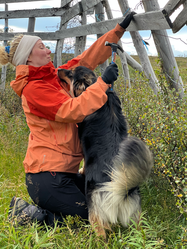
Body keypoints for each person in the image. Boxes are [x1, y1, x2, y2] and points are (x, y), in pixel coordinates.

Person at [0, 12, 136, 226]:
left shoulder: (55, 75)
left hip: (66, 174)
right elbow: (71, 110)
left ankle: (50, 207)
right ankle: (27, 215)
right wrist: (102, 84)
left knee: (109, 207)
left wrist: (117, 31)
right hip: (46, 179)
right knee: (94, 216)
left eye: (45, 45)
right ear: (28, 57)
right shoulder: (34, 90)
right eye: (41, 47)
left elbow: (87, 59)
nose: (47, 50)